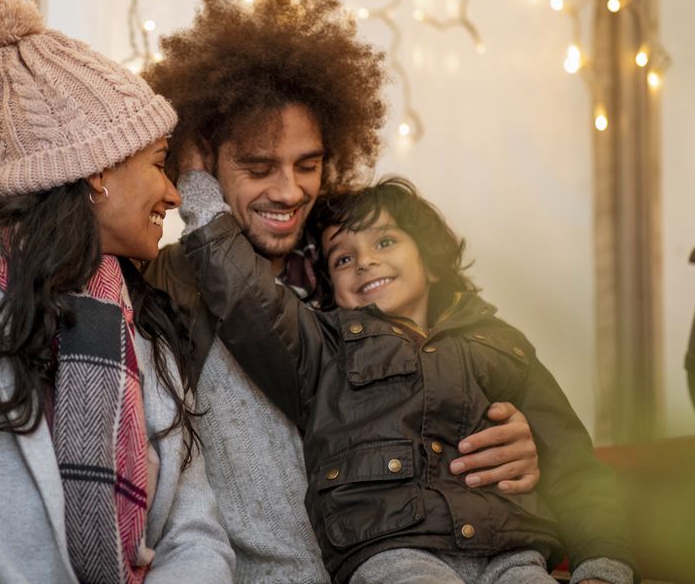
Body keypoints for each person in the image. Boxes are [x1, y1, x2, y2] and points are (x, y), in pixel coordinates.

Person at [143, 0, 543, 583]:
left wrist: (521, 436)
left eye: (308, 164)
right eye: (258, 168)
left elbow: (459, 366)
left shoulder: (359, 274)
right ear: (203, 159)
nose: (288, 191)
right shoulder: (164, 282)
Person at [0, 0, 233, 583]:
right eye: (159, 163)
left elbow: (196, 534)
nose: (174, 193)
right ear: (97, 169)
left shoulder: (142, 323)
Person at [177, 175, 637, 584]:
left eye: (384, 242)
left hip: (512, 551)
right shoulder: (326, 345)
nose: (364, 263)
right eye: (342, 259)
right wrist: (197, 182)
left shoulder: (502, 344)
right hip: (392, 550)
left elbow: (572, 464)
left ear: (432, 262)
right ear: (329, 289)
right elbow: (247, 298)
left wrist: (603, 567)